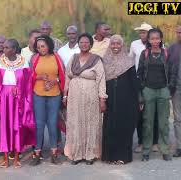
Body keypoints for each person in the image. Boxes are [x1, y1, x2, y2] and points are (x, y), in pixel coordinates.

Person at [0, 39, 36, 168]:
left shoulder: (23, 62)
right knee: (4, 126)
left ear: (14, 49)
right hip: (4, 98)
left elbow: (27, 83)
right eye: (3, 47)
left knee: (17, 126)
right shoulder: (0, 62)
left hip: (18, 98)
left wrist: (19, 90)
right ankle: (5, 157)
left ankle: (16, 157)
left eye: (7, 47)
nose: (4, 50)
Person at [63, 33, 107, 165]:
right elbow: (67, 77)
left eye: (87, 42)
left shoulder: (96, 60)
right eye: (81, 42)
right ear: (78, 44)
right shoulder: (73, 58)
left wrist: (102, 98)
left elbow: (101, 79)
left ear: (91, 44)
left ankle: (90, 154)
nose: (84, 44)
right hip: (74, 97)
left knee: (90, 123)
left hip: (91, 96)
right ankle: (75, 154)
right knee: (75, 123)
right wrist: (65, 95)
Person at [101, 35, 139, 164]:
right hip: (110, 100)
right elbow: (101, 82)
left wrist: (139, 100)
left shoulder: (129, 62)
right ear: (110, 45)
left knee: (124, 127)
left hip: (126, 101)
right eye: (113, 44)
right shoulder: (104, 61)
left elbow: (134, 82)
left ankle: (123, 156)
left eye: (118, 44)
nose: (115, 46)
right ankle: (110, 157)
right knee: (109, 127)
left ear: (122, 45)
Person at [138, 28, 174, 161]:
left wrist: (170, 88)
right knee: (148, 121)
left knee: (164, 122)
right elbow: (139, 72)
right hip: (148, 90)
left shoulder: (166, 53)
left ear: (161, 39)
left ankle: (165, 150)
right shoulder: (145, 53)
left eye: (157, 38)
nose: (155, 41)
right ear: (148, 40)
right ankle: (146, 151)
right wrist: (142, 90)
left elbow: (172, 72)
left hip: (163, 90)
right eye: (152, 38)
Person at [30, 35, 65, 166]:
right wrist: (38, 77)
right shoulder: (34, 58)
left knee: (52, 123)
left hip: (54, 94)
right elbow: (29, 75)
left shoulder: (56, 57)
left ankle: (54, 153)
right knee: (39, 124)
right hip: (38, 94)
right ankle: (37, 153)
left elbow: (62, 75)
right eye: (38, 47)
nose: (40, 49)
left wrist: (54, 81)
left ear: (49, 45)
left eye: (43, 46)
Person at [129, 22, 159, 153]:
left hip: (154, 82)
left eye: (145, 32)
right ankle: (141, 142)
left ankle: (155, 142)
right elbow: (130, 62)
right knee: (140, 114)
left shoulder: (157, 45)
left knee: (155, 113)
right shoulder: (134, 44)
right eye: (141, 32)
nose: (142, 34)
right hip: (138, 81)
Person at [167, 25, 181, 157]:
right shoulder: (172, 48)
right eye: (178, 32)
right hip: (177, 88)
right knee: (177, 118)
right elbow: (167, 67)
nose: (179, 34)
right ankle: (179, 146)